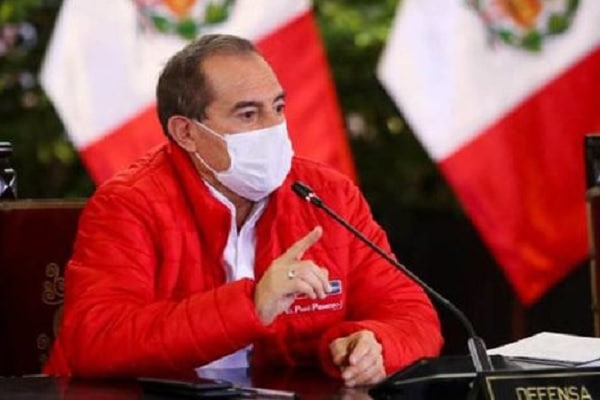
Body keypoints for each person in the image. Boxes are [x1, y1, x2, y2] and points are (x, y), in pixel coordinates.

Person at [44, 34, 443, 387]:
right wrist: (251, 305)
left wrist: (374, 344)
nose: (273, 127)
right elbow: (95, 340)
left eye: (278, 108)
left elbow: (412, 314)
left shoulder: (328, 195)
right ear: (186, 132)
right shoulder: (128, 203)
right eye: (248, 114)